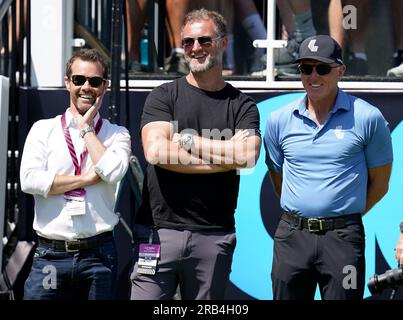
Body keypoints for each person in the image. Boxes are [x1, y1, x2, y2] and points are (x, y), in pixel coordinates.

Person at [130, 8, 261, 300]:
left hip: (213, 235)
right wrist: (225, 159)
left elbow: (248, 155)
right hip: (157, 232)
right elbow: (157, 151)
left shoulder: (242, 105)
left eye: (204, 40)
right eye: (188, 42)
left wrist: (187, 139)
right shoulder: (162, 95)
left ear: (223, 43)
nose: (195, 48)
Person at [264, 35, 393, 300]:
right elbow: (278, 178)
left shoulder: (368, 117)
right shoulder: (278, 120)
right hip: (291, 237)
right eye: (305, 68)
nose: (313, 76)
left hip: (343, 239)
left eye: (322, 68)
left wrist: (340, 216)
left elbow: (380, 184)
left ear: (341, 71)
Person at [20, 48, 132, 300]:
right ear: (67, 82)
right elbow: (30, 180)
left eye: (94, 81)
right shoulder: (43, 129)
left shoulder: (117, 133)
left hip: (98, 255)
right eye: (79, 80)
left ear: (105, 86)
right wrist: (87, 179)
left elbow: (113, 172)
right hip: (51, 255)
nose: (86, 87)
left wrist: (86, 129)